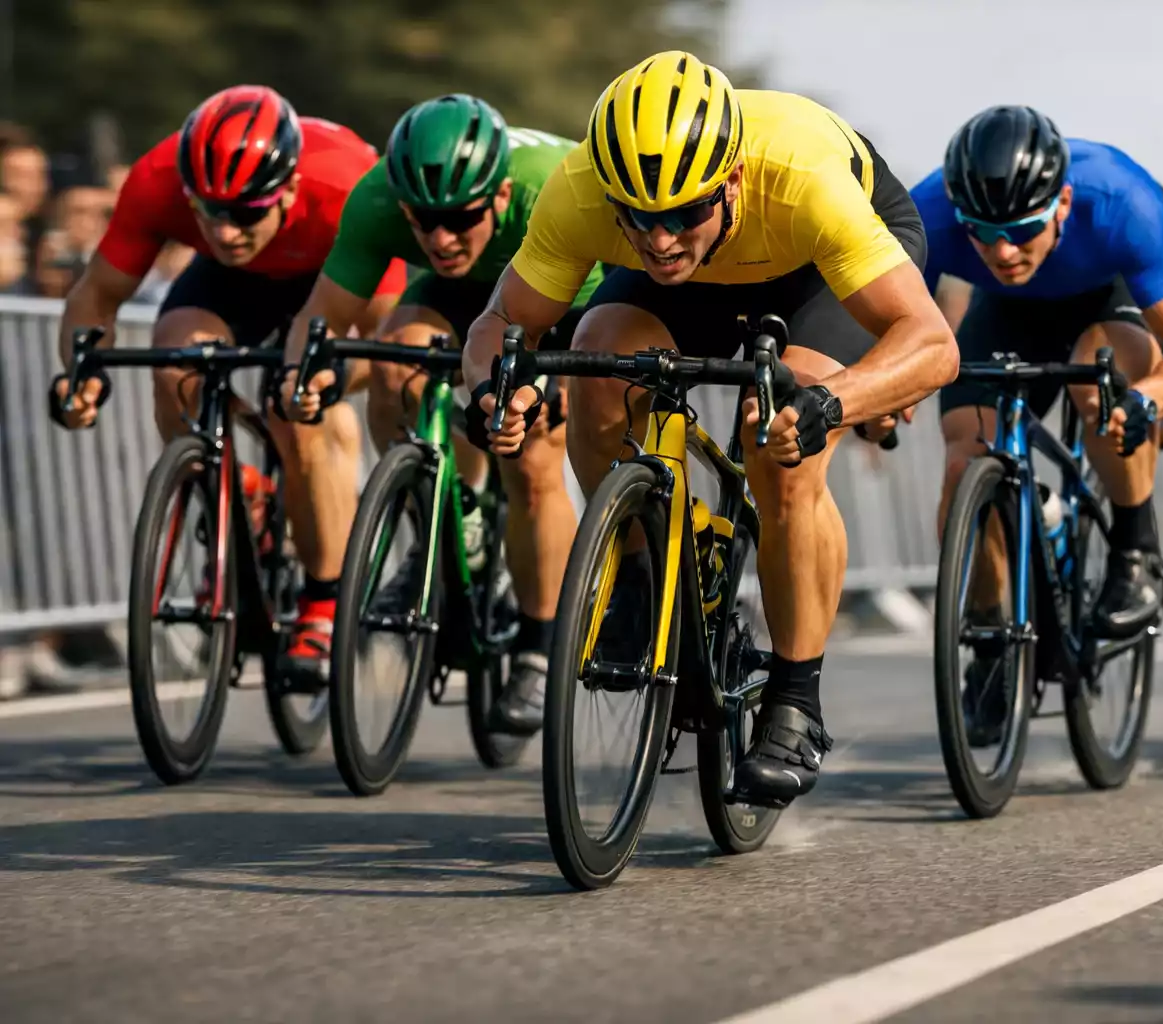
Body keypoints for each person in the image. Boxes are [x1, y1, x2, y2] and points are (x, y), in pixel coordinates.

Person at [460, 51, 957, 807]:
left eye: (683, 213)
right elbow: (502, 323)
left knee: (778, 437)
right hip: (708, 276)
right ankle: (639, 566)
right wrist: (495, 392)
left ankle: (796, 700)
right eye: (639, 218)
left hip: (812, 259)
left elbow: (932, 344)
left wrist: (835, 402)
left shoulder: (804, 183)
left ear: (727, 183)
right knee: (596, 362)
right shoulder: (584, 192)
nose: (659, 239)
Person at [48, 85, 408, 677]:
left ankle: (321, 601)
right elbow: (95, 298)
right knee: (177, 362)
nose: (226, 230)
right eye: (208, 211)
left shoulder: (350, 187)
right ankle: (230, 486)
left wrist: (321, 383)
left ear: (288, 189)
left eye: (245, 214)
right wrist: (81, 375)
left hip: (330, 282)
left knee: (296, 411)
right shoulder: (158, 178)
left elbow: (383, 341)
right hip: (226, 286)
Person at [908, 105, 1163, 741]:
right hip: (1010, 311)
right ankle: (994, 641)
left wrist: (1153, 398)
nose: (1002, 250)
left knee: (1103, 382)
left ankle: (1136, 549)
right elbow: (891, 323)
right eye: (982, 231)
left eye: (1022, 229)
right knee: (965, 458)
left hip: (1111, 288)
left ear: (1061, 203)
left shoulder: (1119, 201)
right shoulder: (930, 214)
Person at [277, 93, 603, 707]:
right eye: (423, 221)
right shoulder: (377, 201)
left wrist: (556, 385)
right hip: (467, 292)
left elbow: (591, 320)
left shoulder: (552, 189)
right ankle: (447, 524)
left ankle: (540, 642)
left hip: (564, 284)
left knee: (534, 453)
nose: (442, 236)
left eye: (460, 218)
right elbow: (318, 319)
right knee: (394, 362)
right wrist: (302, 380)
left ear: (500, 197)